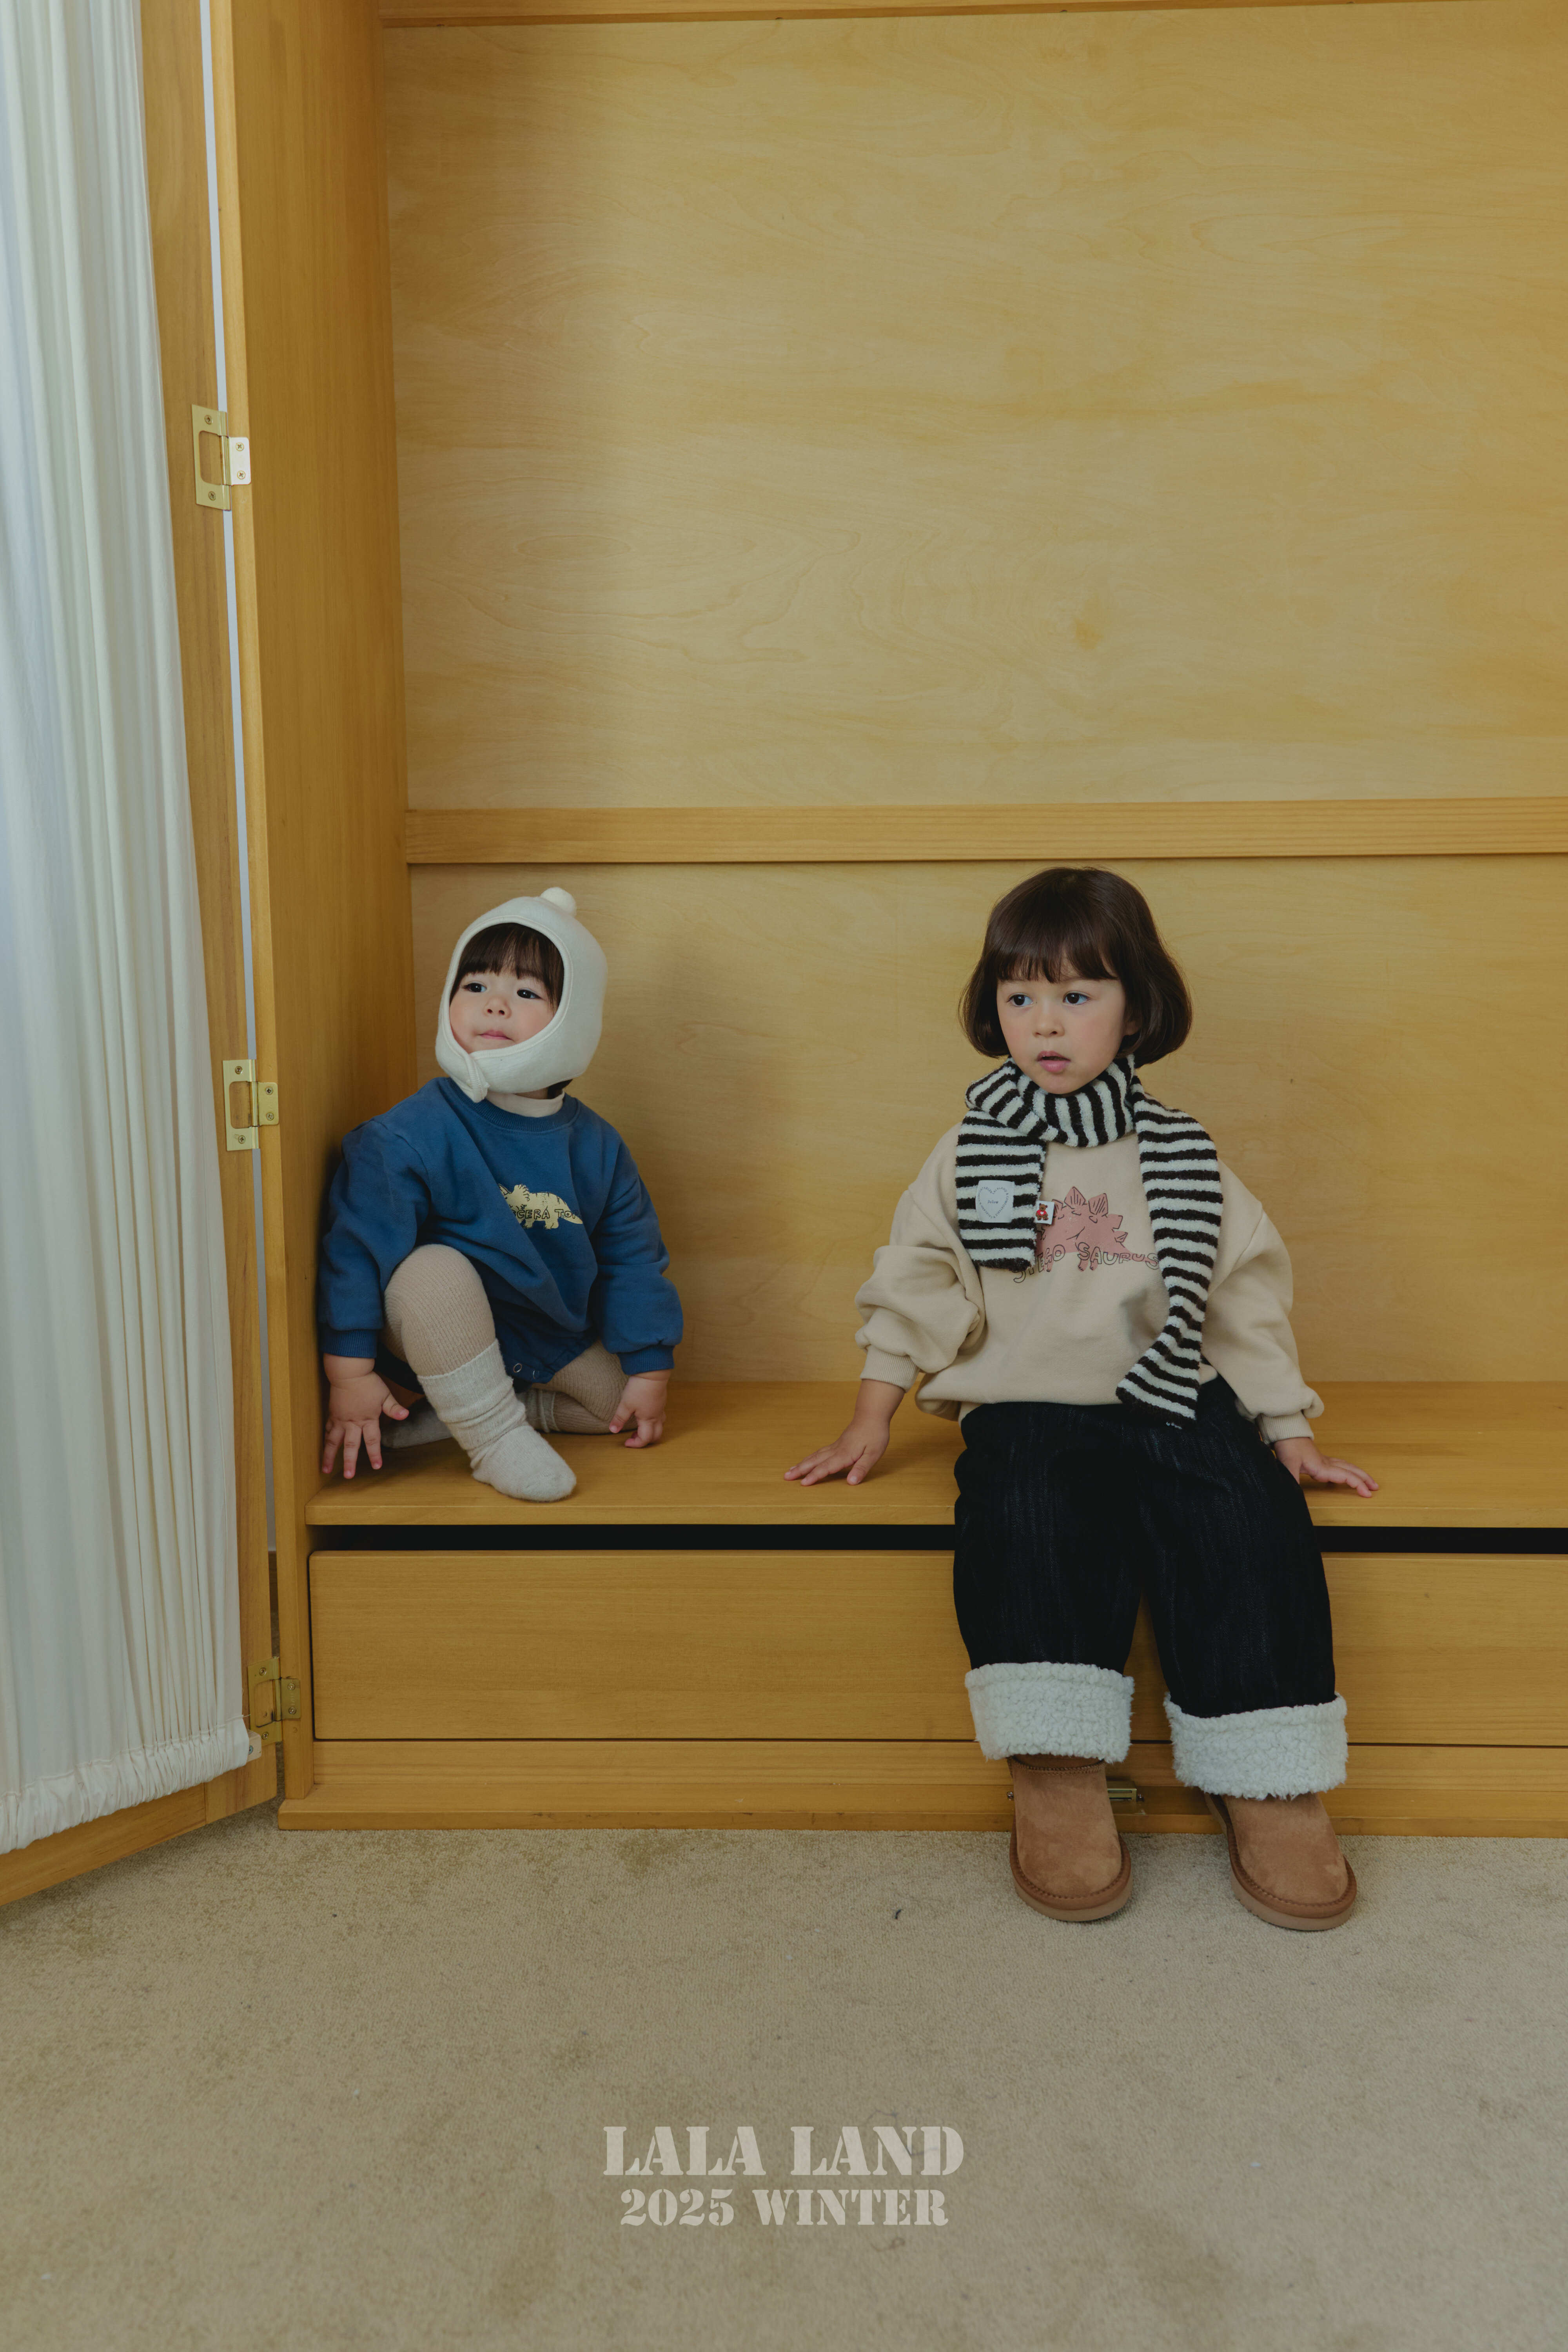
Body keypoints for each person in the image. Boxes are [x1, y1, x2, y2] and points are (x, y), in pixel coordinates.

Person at [786, 867, 1375, 1930]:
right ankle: (1056, 1767)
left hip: (1172, 1394)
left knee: (1245, 1520)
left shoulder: (1182, 1155)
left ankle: (1268, 1772)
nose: (1045, 1022)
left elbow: (1241, 1303)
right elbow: (917, 1285)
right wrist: (872, 1412)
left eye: (1076, 994)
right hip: (1026, 1405)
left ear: (1135, 1009)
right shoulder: (969, 1151)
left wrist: (1287, 1431)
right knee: (1028, 1520)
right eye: (1020, 996)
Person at [317, 889, 680, 1503]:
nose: (495, 1004)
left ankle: (478, 1416)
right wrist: (349, 1373)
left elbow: (633, 1260)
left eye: (527, 993)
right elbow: (355, 1254)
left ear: (573, 1020)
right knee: (433, 1270)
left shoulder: (597, 1145)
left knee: (626, 1407)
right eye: (477, 985)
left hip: (539, 1338)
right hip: (436, 1337)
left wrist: (652, 1368)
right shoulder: (410, 1131)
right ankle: (491, 1439)